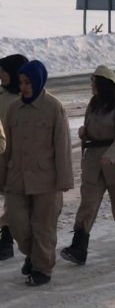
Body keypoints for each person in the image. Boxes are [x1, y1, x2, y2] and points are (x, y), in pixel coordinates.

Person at [2, 60, 73, 286]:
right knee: (16, 221)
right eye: (21, 82)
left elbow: (62, 146)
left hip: (46, 179)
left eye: (28, 82)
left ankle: (43, 268)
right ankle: (33, 255)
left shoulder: (54, 107)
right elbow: (5, 148)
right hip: (17, 177)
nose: (23, 87)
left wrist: (64, 179)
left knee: (43, 226)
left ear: (39, 82)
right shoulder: (13, 109)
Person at [61, 65, 115, 265]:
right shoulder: (93, 104)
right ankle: (79, 248)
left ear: (104, 84)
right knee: (88, 204)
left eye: (94, 82)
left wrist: (110, 156)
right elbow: (90, 128)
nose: (91, 86)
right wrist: (84, 133)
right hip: (94, 161)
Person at [0, 54, 29, 261]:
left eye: (3, 71)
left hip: (18, 158)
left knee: (13, 200)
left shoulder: (26, 100)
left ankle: (7, 239)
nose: (0, 75)